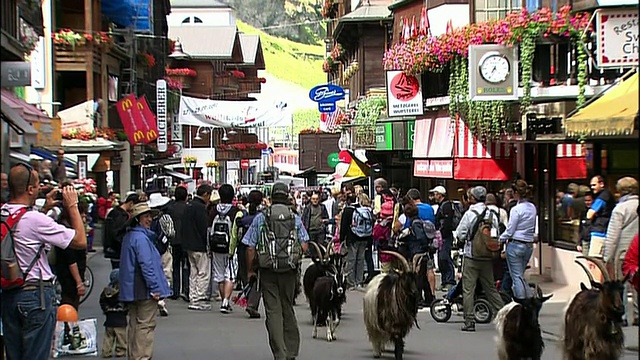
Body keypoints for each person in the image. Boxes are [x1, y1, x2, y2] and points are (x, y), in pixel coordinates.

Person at [1, 163, 87, 360]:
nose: (41, 189)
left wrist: (46, 207)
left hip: (9, 293)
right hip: (35, 295)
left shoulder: (4, 213)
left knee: (14, 353)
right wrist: (72, 205)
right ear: (30, 189)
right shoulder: (35, 220)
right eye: (38, 184)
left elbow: (25, 231)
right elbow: (80, 241)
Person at [242, 182, 309, 360]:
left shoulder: (261, 217)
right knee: (288, 307)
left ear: (271, 197)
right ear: (287, 196)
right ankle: (292, 351)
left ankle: (280, 352)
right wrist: (293, 257)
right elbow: (304, 244)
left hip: (268, 270)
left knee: (273, 311)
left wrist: (250, 270)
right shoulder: (294, 217)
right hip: (289, 270)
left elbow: (250, 246)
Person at [119, 202, 171, 360]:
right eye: (146, 216)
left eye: (150, 216)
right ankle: (142, 357)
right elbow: (147, 265)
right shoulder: (141, 238)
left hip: (132, 288)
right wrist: (155, 288)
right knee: (145, 326)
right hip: (143, 288)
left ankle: (134, 356)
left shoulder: (130, 236)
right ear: (137, 219)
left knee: (135, 324)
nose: (149, 219)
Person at [455, 186, 504, 332]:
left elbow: (460, 233)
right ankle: (504, 315)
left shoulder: (470, 213)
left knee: (468, 289)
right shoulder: (492, 214)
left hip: (472, 255)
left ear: (472, 198)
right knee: (490, 287)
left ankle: (469, 321)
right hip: (487, 256)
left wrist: (462, 240)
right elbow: (497, 233)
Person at [499, 180, 537, 300]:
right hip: (528, 245)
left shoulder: (516, 209)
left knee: (516, 277)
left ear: (516, 193)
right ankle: (530, 299)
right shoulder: (532, 207)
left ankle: (522, 302)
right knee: (520, 275)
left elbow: (510, 231)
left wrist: (499, 239)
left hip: (515, 244)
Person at [54, 189, 89, 310]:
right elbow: (70, 259)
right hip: (69, 278)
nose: (84, 219)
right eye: (82, 215)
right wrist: (79, 282)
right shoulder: (67, 231)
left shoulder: (64, 227)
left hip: (68, 275)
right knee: (69, 307)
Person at [209, 184, 241, 314]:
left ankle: (224, 300)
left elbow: (208, 230)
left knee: (220, 275)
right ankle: (225, 302)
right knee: (230, 275)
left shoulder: (213, 210)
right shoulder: (235, 211)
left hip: (215, 247)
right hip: (230, 248)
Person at [182, 184, 214, 311]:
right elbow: (203, 228)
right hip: (199, 245)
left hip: (189, 244)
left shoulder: (189, 205)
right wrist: (207, 244)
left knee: (193, 272)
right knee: (203, 272)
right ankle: (199, 298)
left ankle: (193, 297)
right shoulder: (200, 208)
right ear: (205, 194)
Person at [234, 190, 264, 319]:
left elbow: (236, 229)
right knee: (256, 276)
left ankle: (247, 299)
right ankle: (250, 301)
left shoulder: (242, 216)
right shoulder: (261, 216)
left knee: (246, 273)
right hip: (258, 248)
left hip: (243, 247)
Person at [340, 184, 373, 289]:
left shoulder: (348, 210)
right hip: (364, 238)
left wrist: (342, 239)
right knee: (360, 259)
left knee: (351, 260)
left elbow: (344, 226)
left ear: (348, 201)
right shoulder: (363, 209)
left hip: (352, 239)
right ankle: (359, 281)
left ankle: (351, 282)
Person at [104, 193, 141, 269]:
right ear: (131, 203)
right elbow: (117, 234)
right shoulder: (120, 216)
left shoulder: (114, 212)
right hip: (118, 251)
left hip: (115, 250)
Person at [432, 185, 457, 291]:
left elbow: (447, 222)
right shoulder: (443, 205)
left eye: (435, 194)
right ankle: (445, 280)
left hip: (445, 236)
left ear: (440, 194)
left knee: (444, 258)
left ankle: (449, 281)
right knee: (441, 259)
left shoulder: (446, 206)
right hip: (442, 236)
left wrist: (442, 233)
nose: (434, 196)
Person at [166, 186, 189, 301]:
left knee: (175, 265)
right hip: (186, 239)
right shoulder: (188, 208)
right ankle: (186, 290)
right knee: (186, 266)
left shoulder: (171, 208)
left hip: (174, 239)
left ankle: (175, 291)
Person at [100, 269, 128, 358]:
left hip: (109, 319)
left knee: (108, 337)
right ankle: (120, 351)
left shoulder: (106, 291)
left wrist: (106, 310)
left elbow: (102, 302)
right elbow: (127, 303)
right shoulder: (123, 291)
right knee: (121, 337)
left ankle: (106, 351)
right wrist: (126, 310)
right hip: (120, 319)